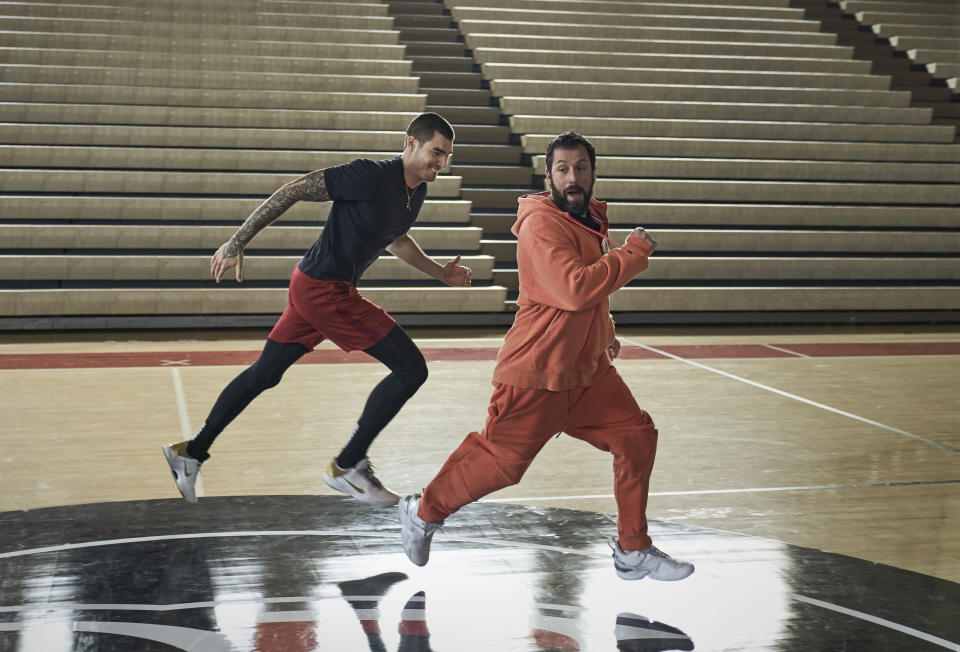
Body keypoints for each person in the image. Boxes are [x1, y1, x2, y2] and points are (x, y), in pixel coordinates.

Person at [398, 131, 693, 581]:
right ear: (549, 176)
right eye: (562, 169)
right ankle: (422, 512)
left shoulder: (588, 218)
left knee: (636, 435)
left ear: (593, 173)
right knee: (501, 465)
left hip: (586, 369)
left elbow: (588, 294)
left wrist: (605, 330)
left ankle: (633, 549)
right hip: (537, 370)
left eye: (580, 168)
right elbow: (574, 289)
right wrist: (633, 255)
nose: (572, 177)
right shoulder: (541, 223)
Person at [163, 113, 472, 508]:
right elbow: (292, 190)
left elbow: (395, 239)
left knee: (265, 373)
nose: (441, 163)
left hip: (314, 286)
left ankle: (191, 452)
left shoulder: (415, 192)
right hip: (326, 290)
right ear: (410, 143)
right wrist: (237, 240)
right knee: (411, 369)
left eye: (446, 156)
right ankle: (348, 466)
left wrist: (439, 274)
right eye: (436, 152)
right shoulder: (369, 175)